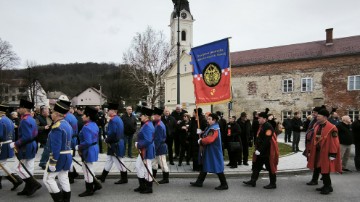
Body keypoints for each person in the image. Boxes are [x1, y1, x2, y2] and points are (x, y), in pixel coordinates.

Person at [10, 99, 42, 196]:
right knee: (29, 167)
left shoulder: (24, 120)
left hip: (25, 146)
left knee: (18, 168)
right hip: (32, 145)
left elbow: (27, 136)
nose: (18, 110)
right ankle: (28, 188)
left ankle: (34, 184)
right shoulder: (31, 119)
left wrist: (16, 144)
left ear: (24, 109)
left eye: (20, 108)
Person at [306, 108, 342, 195]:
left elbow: (334, 142)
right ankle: (326, 185)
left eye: (319, 116)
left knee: (325, 170)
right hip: (318, 152)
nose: (317, 117)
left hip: (326, 152)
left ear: (325, 117)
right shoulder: (317, 126)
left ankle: (328, 186)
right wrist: (310, 149)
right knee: (319, 168)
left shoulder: (332, 128)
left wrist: (332, 154)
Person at [42, 101, 72, 202]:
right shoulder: (67, 124)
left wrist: (53, 161)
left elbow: (56, 147)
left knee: (48, 179)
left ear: (57, 114)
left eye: (53, 112)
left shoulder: (57, 127)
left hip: (58, 156)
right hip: (67, 155)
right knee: (64, 178)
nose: (51, 114)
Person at [190, 113, 228, 190]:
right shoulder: (211, 127)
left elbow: (210, 139)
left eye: (209, 119)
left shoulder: (214, 129)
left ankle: (224, 184)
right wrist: (201, 132)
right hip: (209, 150)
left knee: (217, 166)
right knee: (205, 165)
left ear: (214, 120)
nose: (207, 120)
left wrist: (201, 141)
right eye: (208, 119)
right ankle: (199, 182)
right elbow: (207, 133)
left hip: (213, 151)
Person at [243, 110, 279, 189]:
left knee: (270, 167)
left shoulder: (268, 127)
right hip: (261, 151)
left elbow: (267, 140)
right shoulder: (262, 126)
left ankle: (273, 184)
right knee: (256, 166)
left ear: (265, 119)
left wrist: (260, 150)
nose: (258, 119)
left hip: (267, 152)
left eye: (260, 118)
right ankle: (253, 181)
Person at [75, 106, 102, 197]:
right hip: (94, 148)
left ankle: (89, 189)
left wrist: (78, 147)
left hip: (88, 150)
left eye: (84, 115)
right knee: (90, 168)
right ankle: (96, 184)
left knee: (86, 170)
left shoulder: (86, 127)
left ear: (88, 117)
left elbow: (87, 142)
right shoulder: (94, 124)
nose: (82, 116)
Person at [97, 103, 127, 184]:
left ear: (113, 111)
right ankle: (103, 176)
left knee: (118, 161)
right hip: (117, 142)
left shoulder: (113, 120)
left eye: (109, 110)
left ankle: (124, 177)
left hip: (115, 144)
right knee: (109, 160)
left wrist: (106, 140)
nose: (107, 111)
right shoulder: (118, 118)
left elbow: (113, 133)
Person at [0, 104, 23, 191]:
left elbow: (1, 135)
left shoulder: (1, 121)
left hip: (3, 144)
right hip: (9, 143)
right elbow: (13, 134)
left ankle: (16, 180)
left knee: (3, 165)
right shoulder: (9, 120)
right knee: (2, 164)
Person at [134, 106, 155, 194]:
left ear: (146, 116)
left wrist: (138, 144)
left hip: (146, 149)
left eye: (141, 115)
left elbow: (148, 140)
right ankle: (142, 185)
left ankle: (149, 187)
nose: (140, 117)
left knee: (147, 168)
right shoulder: (146, 124)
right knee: (138, 166)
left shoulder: (147, 126)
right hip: (144, 149)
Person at [60, 100, 79, 184]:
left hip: (69, 140)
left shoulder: (65, 118)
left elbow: (64, 130)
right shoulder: (72, 116)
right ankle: (73, 173)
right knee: (69, 158)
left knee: (68, 158)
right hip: (73, 139)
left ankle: (71, 175)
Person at [152, 107, 170, 184]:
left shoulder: (159, 125)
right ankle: (153, 176)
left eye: (154, 115)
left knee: (162, 163)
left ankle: (166, 179)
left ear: (158, 116)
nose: (153, 117)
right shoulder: (158, 123)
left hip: (160, 147)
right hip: (159, 146)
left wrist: (154, 149)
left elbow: (158, 139)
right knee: (154, 163)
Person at [36, 105, 53, 170]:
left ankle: (44, 162)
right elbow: (36, 127)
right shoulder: (38, 118)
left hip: (49, 135)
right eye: (47, 111)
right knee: (47, 149)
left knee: (48, 149)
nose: (49, 112)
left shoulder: (49, 117)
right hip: (43, 136)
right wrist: (44, 127)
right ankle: (43, 163)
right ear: (43, 112)